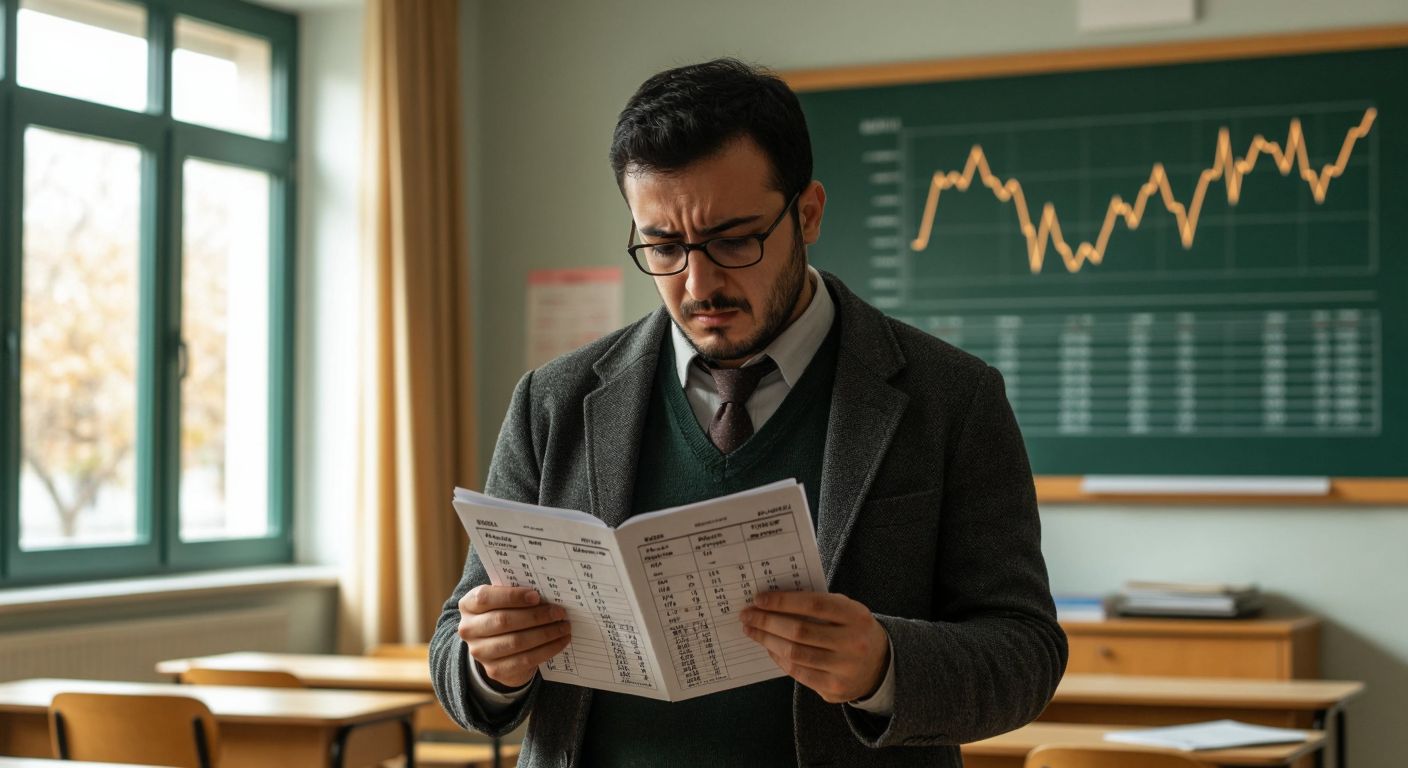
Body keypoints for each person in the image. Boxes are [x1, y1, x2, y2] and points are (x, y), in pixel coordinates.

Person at [430, 58, 1067, 768]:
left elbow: (1026, 654)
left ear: (809, 213)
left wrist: (884, 666)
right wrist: (491, 665)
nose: (698, 284)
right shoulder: (554, 400)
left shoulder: (951, 397)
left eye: (735, 240)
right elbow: (459, 650)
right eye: (664, 247)